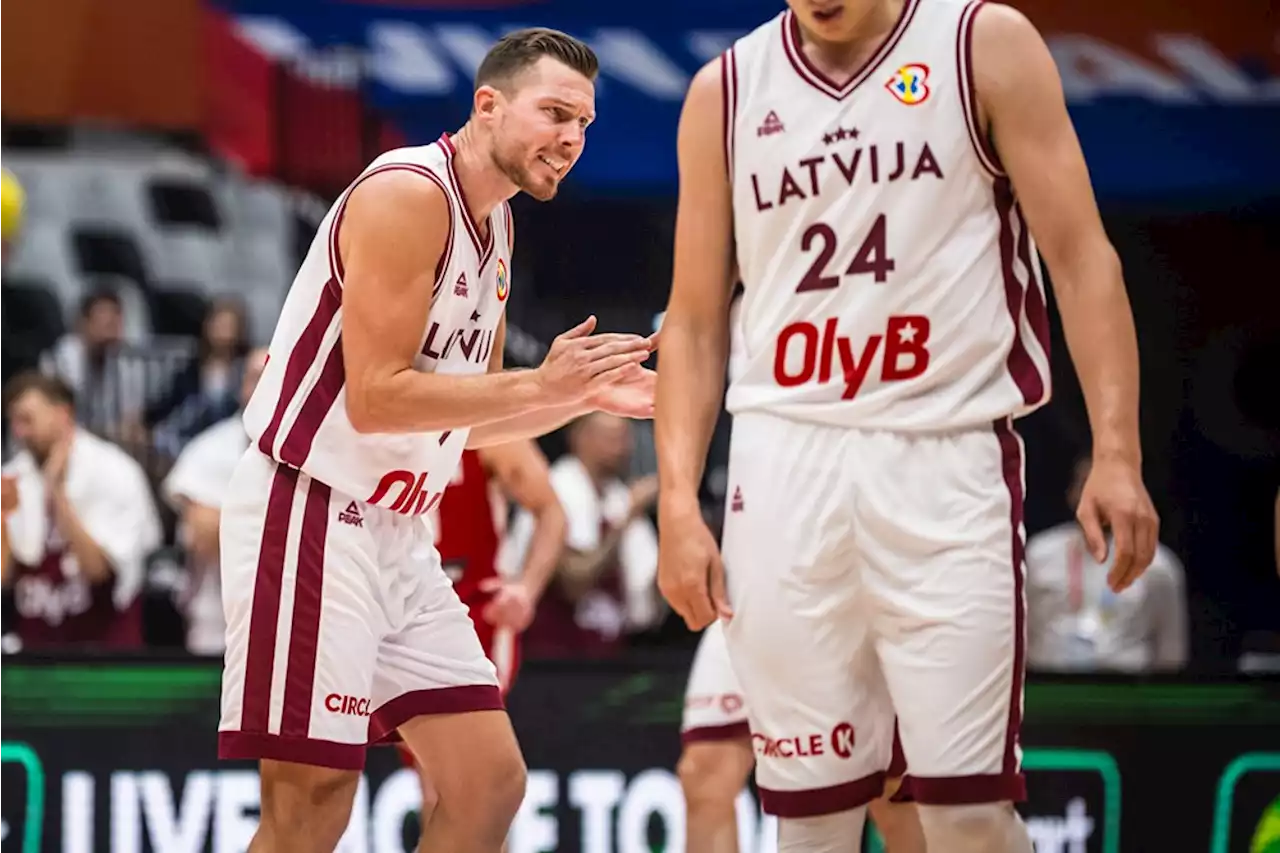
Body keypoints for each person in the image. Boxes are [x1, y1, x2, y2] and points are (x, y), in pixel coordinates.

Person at [654, 0, 1160, 850]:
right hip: (782, 465)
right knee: (808, 823)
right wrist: (676, 500)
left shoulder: (981, 44)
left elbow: (1081, 255)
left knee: (964, 814)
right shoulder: (726, 90)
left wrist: (1117, 449)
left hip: (945, 454)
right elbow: (696, 320)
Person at [216, 27, 655, 853]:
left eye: (585, 124)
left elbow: (467, 416)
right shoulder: (408, 192)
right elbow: (378, 399)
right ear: (486, 105)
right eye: (555, 112)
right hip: (312, 509)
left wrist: (583, 395)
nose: (572, 138)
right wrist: (544, 383)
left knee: (487, 785)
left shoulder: (498, 230)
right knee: (310, 804)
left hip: (399, 534)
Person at [677, 291, 925, 853]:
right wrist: (679, 509)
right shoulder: (722, 302)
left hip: (845, 553)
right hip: (753, 555)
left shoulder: (861, 289)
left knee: (887, 787)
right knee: (705, 771)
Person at [402, 441, 567, 841]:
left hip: (472, 611)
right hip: (398, 610)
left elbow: (552, 512)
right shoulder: (377, 413)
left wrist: (526, 589)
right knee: (443, 783)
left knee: (463, 781)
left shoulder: (485, 429)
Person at [0, 371, 161, 649]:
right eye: (13, 422)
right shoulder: (12, 476)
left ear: (63, 414)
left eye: (27, 419)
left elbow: (99, 572)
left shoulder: (115, 471)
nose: (19, 432)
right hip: (34, 652)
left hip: (105, 648)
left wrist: (57, 494)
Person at [507, 413, 662, 658]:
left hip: (608, 656)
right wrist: (626, 520)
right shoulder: (554, 492)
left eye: (625, 438)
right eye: (611, 437)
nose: (622, 447)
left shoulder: (619, 495)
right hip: (551, 660)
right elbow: (573, 581)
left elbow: (647, 608)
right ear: (579, 437)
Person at [1026, 454, 1188, 673]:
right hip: (1049, 689)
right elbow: (1018, 634)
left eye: (1109, 488)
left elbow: (1170, 655)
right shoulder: (1038, 554)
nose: (1096, 498)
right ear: (1072, 493)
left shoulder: (1157, 565)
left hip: (1126, 695)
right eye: (1085, 486)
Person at [160, 347, 268, 654]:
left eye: (273, 378)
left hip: (286, 613)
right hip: (215, 614)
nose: (263, 388)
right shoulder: (209, 447)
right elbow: (202, 535)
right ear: (241, 386)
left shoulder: (310, 449)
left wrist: (232, 520)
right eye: (255, 378)